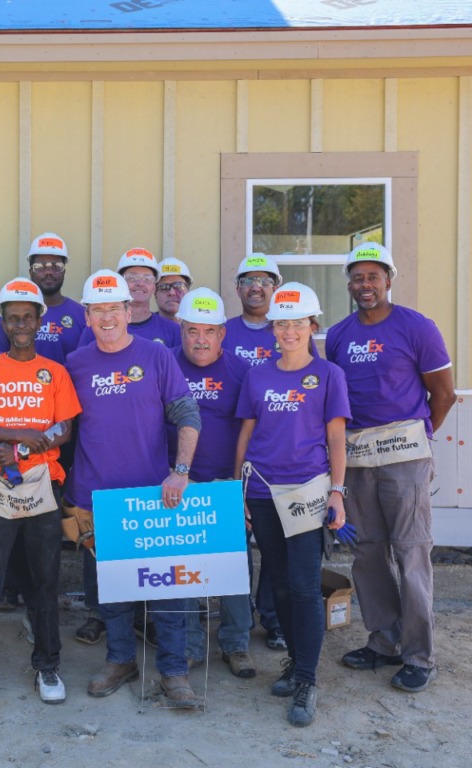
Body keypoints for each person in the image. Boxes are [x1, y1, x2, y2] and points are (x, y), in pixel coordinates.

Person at [63, 270, 201, 704]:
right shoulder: (76, 364)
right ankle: (120, 659)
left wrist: (180, 471)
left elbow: (188, 416)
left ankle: (174, 672)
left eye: (114, 308)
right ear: (87, 316)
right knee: (111, 590)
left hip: (153, 498)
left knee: (169, 589)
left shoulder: (157, 357)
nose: (107, 317)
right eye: (98, 309)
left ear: (129, 310)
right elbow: (60, 428)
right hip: (95, 497)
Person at [326, 243, 456, 693]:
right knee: (367, 553)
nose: (366, 285)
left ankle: (419, 655)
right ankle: (383, 642)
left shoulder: (417, 327)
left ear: (389, 280)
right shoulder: (340, 335)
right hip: (357, 461)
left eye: (373, 277)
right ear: (349, 283)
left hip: (405, 461)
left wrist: (418, 439)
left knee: (411, 553)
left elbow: (443, 394)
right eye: (358, 278)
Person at [0, 278, 82, 711]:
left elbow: (64, 431)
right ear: (3, 324)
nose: (21, 324)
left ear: (39, 321)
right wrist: (21, 433)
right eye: (13, 318)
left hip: (43, 487)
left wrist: (21, 447)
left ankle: (47, 664)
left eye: (28, 317)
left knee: (45, 581)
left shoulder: (55, 372)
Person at [234, 282, 351, 727]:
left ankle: (306, 679)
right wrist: (238, 485)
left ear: (312, 326)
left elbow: (336, 437)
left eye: (296, 323)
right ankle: (295, 663)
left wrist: (338, 491)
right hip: (263, 492)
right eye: (280, 323)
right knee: (278, 582)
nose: (288, 330)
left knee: (303, 586)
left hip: (307, 494)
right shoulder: (259, 375)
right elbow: (247, 433)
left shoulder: (328, 375)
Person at [168, 288, 255, 678]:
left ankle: (236, 643)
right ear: (179, 329)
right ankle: (189, 645)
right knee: (183, 569)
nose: (199, 340)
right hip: (179, 485)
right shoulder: (165, 365)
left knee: (233, 567)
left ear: (223, 333)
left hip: (225, 484)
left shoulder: (241, 372)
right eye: (191, 331)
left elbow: (253, 430)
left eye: (208, 331)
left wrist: (241, 486)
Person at [221, 253, 290, 650]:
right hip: (229, 448)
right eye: (248, 279)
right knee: (237, 536)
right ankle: (240, 615)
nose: (256, 287)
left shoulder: (286, 331)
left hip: (273, 452)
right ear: (238, 288)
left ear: (275, 288)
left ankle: (273, 616)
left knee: (273, 538)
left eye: (265, 280)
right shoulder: (223, 330)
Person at [0, 233, 86, 365]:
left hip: (65, 385)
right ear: (30, 272)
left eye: (56, 266)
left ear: (64, 271)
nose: (48, 272)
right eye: (40, 267)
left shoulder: (81, 315)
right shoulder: (10, 313)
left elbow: (86, 364)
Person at [78, 249, 180, 348]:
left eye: (147, 279)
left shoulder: (173, 330)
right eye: (132, 278)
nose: (140, 283)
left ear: (154, 287)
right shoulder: (97, 328)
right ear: (121, 283)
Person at [154, 257, 193, 325]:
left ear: (188, 291)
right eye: (164, 287)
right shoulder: (143, 330)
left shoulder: (200, 328)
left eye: (179, 286)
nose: (172, 293)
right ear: (155, 293)